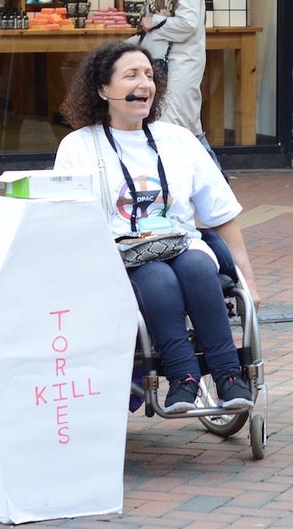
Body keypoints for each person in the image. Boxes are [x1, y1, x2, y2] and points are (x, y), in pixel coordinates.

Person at [53, 42, 261, 413]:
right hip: (122, 254)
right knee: (158, 280)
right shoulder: (79, 146)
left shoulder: (178, 140)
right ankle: (183, 378)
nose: (144, 84)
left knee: (200, 266)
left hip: (180, 244)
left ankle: (230, 376)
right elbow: (69, 219)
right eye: (131, 75)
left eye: (149, 75)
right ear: (103, 90)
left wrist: (248, 280)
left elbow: (220, 212)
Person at [132, 0, 213, 158]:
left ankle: (208, 175)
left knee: (178, 120)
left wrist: (154, 20)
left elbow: (188, 24)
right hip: (167, 58)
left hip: (182, 61)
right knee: (180, 120)